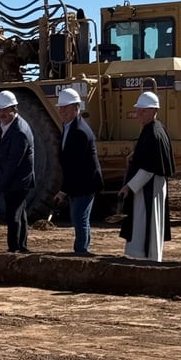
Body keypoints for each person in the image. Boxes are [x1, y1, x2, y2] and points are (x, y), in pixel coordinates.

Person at [118, 91, 175, 262]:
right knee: (145, 223)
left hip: (149, 187)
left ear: (152, 111)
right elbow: (149, 154)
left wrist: (129, 187)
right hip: (149, 186)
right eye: (138, 110)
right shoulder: (155, 129)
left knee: (148, 224)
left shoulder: (153, 133)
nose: (138, 114)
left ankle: (148, 259)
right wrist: (135, 154)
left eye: (142, 111)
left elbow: (149, 168)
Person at [54, 88, 103, 256]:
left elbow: (75, 165)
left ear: (76, 108)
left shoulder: (80, 132)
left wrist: (63, 190)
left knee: (79, 217)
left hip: (85, 182)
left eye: (65, 108)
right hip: (78, 181)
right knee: (79, 217)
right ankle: (82, 250)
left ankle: (82, 252)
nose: (62, 111)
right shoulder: (68, 127)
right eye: (61, 108)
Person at [0, 90, 35, 253]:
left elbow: (13, 163)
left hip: (18, 181)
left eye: (5, 110)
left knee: (13, 215)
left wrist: (0, 185)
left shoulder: (19, 132)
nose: (1, 113)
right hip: (15, 179)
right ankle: (20, 246)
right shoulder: (8, 126)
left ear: (14, 109)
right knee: (19, 213)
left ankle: (14, 248)